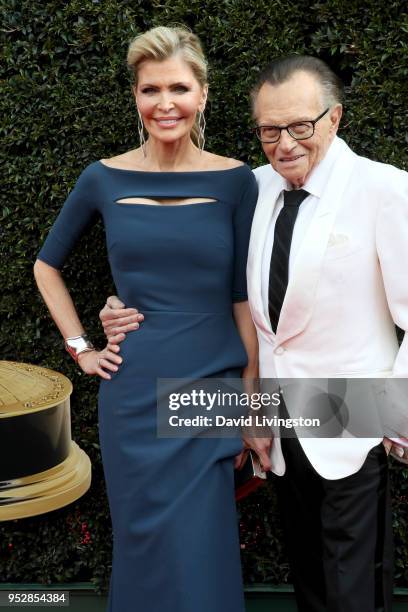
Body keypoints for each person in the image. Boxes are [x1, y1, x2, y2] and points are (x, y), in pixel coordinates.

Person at [102, 55, 408, 612]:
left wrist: (396, 416)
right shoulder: (252, 186)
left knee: (355, 587)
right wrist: (121, 305)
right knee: (309, 579)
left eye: (299, 127)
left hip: (353, 416)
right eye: (269, 130)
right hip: (277, 418)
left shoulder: (384, 189)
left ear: (334, 118)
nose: (284, 143)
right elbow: (206, 280)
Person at [33, 25, 263, 612]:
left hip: (211, 386)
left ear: (203, 95)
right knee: (144, 544)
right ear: (135, 97)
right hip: (133, 392)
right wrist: (83, 347)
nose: (165, 103)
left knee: (203, 546)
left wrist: (252, 404)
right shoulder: (102, 177)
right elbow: (46, 266)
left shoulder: (237, 181)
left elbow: (244, 299)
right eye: (150, 89)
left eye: (179, 88)